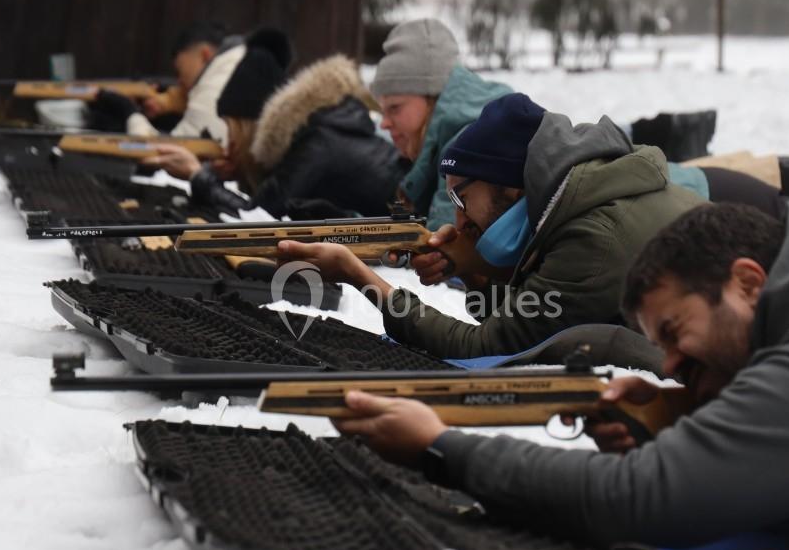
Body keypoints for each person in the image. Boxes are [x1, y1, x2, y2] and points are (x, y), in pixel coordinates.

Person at [332, 202, 789, 550]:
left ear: (748, 282)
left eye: (675, 332)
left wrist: (441, 447)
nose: (671, 365)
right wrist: (683, 418)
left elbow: (634, 502)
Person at [280, 92, 703, 359]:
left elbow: (488, 349)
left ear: (510, 187)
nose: (457, 220)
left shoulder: (592, 239)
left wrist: (362, 278)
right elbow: (526, 319)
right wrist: (475, 274)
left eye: (460, 199)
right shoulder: (577, 204)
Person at [145, 43, 408, 220]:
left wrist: (196, 174)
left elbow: (256, 217)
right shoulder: (316, 132)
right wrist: (231, 174)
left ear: (249, 130)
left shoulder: (317, 142)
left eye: (232, 131)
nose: (228, 144)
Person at [372, 18, 513, 230]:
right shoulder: (453, 137)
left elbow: (445, 244)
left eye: (394, 108)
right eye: (382, 111)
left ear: (432, 99)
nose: (383, 124)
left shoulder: (468, 147)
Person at [88, 20, 245, 146]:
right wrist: (165, 105)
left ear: (205, 55)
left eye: (180, 72)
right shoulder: (235, 64)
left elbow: (169, 153)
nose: (180, 82)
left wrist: (129, 112)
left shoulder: (215, 82)